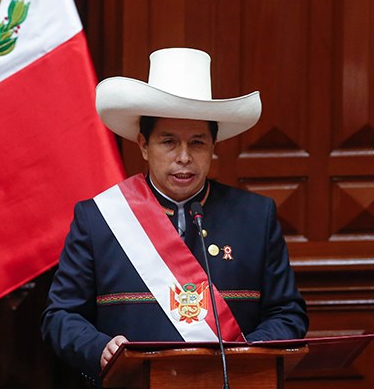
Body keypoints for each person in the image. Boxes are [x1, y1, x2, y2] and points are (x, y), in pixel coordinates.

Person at [41, 48, 308, 385]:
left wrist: (247, 358)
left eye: (197, 143)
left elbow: (286, 313)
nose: (184, 157)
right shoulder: (98, 219)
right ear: (143, 145)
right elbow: (61, 316)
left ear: (213, 146)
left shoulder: (255, 216)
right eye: (169, 142)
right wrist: (100, 349)